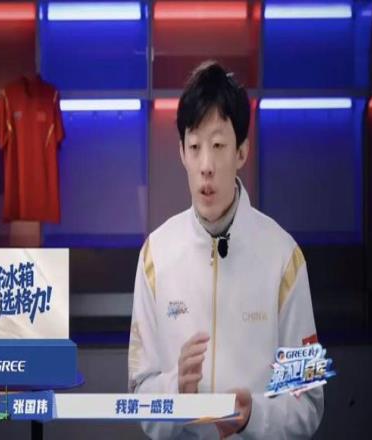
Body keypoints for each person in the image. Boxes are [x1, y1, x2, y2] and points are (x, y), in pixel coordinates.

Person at [128, 61, 323, 439]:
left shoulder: (283, 257)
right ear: (182, 152)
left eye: (218, 146)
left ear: (242, 152)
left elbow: (309, 401)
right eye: (195, 146)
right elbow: (139, 395)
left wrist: (255, 415)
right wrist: (175, 389)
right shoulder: (156, 255)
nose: (206, 165)